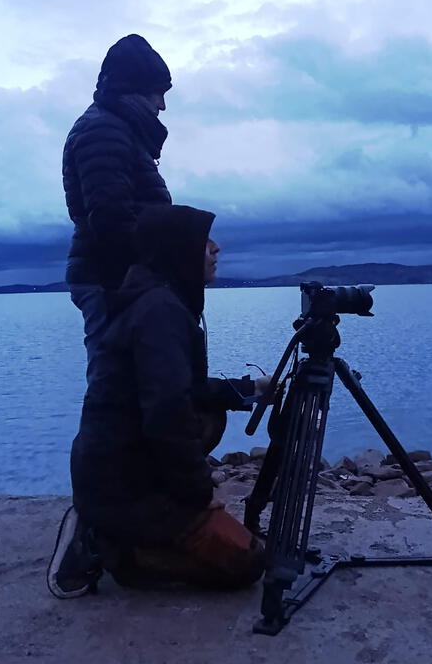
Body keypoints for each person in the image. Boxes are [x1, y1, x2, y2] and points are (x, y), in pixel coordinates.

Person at [47, 204, 270, 598]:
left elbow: (190, 390)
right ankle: (108, 545)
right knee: (246, 563)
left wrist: (250, 388)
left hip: (122, 468)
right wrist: (200, 495)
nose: (216, 249)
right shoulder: (159, 313)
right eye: (205, 241)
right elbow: (167, 415)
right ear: (177, 250)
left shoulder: (159, 301)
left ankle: (131, 523)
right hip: (119, 484)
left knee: (207, 414)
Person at [62, 34, 172, 386]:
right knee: (114, 384)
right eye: (159, 93)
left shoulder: (117, 129)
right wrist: (144, 274)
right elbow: (111, 220)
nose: (163, 105)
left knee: (131, 380)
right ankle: (106, 444)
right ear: (134, 89)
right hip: (112, 282)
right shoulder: (103, 130)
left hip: (119, 281)